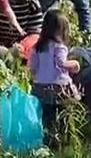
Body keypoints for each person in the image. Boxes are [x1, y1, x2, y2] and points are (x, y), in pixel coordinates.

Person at [29, 10, 81, 138]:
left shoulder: (38, 47)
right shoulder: (59, 47)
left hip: (40, 87)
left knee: (45, 114)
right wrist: (74, 64)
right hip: (58, 87)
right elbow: (61, 62)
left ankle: (46, 136)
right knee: (63, 113)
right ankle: (64, 137)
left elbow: (33, 67)